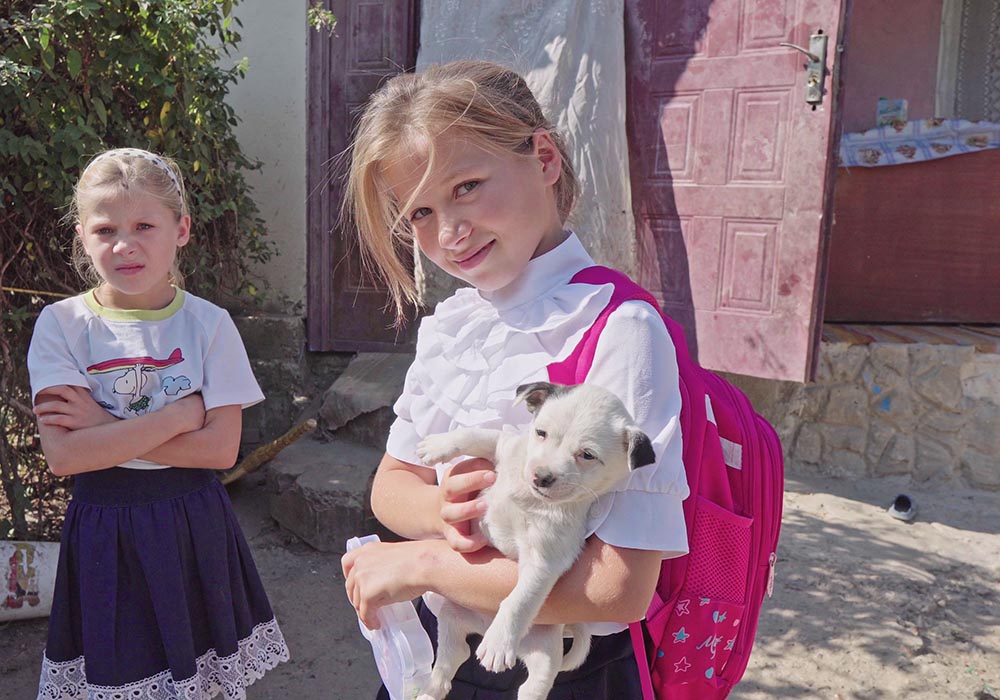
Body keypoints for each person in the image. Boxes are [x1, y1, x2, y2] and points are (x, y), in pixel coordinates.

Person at [341, 60, 690, 699]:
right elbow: (393, 482)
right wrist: (443, 513)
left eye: (467, 186)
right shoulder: (450, 324)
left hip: (558, 668)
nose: (448, 232)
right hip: (439, 653)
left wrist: (424, 563)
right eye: (418, 212)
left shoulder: (619, 329)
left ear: (545, 157)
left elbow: (619, 587)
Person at [27, 147, 289, 699]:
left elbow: (220, 451)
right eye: (105, 230)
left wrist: (101, 425)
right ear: (82, 236)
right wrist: (177, 416)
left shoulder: (208, 326)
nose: (125, 245)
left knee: (202, 677)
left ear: (182, 228)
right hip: (106, 530)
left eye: (144, 224)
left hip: (194, 526)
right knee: (120, 671)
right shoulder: (62, 326)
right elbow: (66, 457)